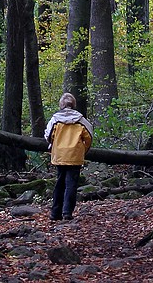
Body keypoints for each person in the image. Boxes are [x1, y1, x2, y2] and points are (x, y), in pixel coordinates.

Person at [44, 92, 93, 221]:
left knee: (59, 183)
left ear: (61, 104)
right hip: (75, 156)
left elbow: (48, 135)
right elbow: (89, 137)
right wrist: (83, 150)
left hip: (59, 155)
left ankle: (55, 213)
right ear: (73, 104)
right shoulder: (81, 120)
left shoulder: (55, 119)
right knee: (71, 184)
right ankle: (67, 212)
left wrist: (53, 145)